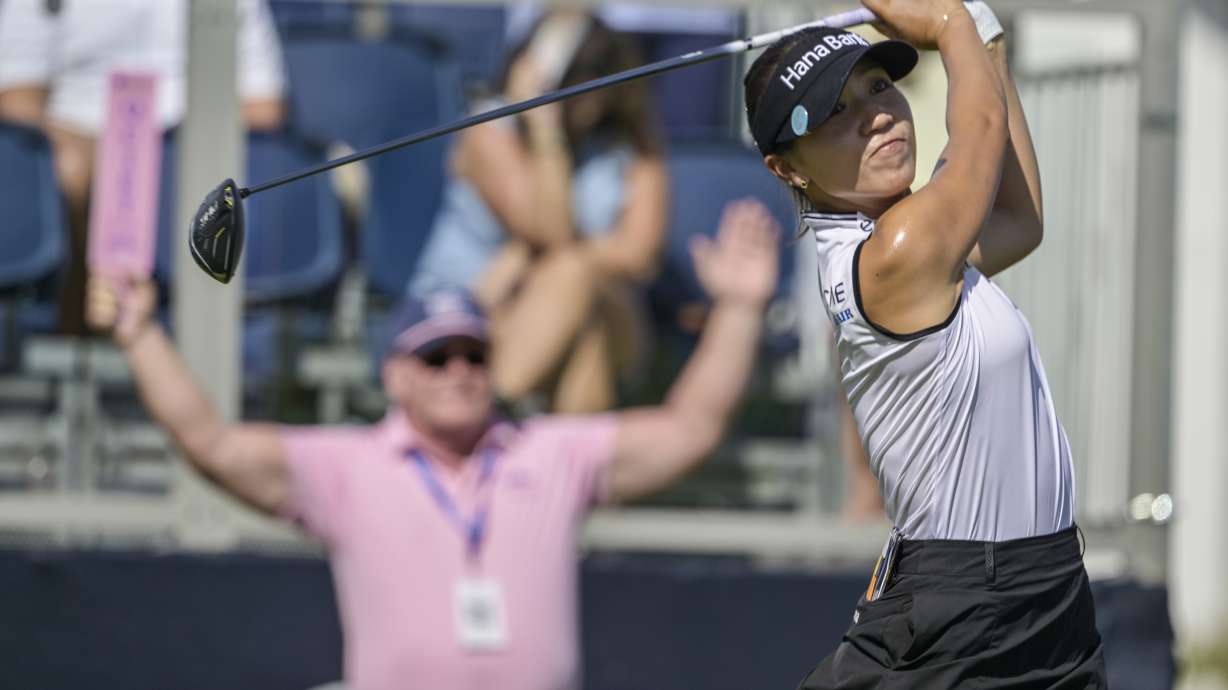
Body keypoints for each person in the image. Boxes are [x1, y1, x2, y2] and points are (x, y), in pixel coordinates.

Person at [87, 200, 779, 690]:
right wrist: (141, 335)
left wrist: (740, 309)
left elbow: (691, 428)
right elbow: (209, 443)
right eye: (437, 357)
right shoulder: (350, 467)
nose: (460, 373)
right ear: (395, 375)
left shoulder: (546, 452)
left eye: (474, 355)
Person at [742, 0, 1106, 687]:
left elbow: (1018, 220)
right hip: (967, 603)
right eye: (832, 113)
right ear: (785, 168)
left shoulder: (910, 242)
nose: (876, 115)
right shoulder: (899, 251)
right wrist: (948, 23)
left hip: (1046, 588)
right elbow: (982, 128)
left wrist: (985, 39)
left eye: (879, 88)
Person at [409, 9, 669, 414]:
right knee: (587, 334)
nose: (576, 95)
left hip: (599, 309)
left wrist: (529, 258)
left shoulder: (631, 145)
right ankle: (562, 471)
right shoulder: (489, 131)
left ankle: (486, 418)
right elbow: (549, 230)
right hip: (476, 312)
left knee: (574, 273)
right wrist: (544, 130)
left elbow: (638, 255)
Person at [0, 0, 287, 335]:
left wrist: (145, 154)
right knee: (66, 171)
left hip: (187, 156)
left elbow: (264, 108)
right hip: (77, 159)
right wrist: (117, 158)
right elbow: (15, 101)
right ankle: (82, 335)